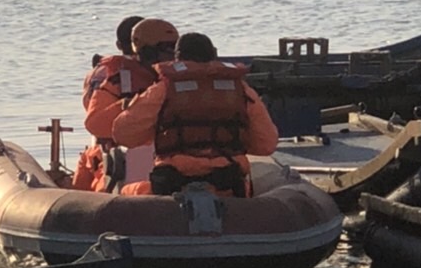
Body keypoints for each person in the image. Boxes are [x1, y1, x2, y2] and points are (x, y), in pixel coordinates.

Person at [111, 31, 279, 197]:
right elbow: (267, 144)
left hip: (173, 183)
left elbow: (123, 134)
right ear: (214, 55)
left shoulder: (163, 89)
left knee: (127, 192)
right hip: (228, 183)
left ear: (177, 59)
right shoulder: (241, 90)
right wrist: (233, 141)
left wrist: (159, 133)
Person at [72, 15, 179, 191]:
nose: (171, 56)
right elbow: (96, 124)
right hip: (133, 159)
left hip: (170, 162)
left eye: (173, 50)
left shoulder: (179, 80)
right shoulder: (118, 79)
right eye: (166, 50)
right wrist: (127, 105)